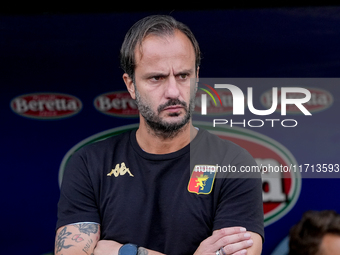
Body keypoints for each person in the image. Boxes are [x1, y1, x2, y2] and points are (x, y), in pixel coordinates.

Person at [55, 15, 264, 255]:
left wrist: (123, 252)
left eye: (183, 76)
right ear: (130, 84)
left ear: (196, 76)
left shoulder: (233, 163)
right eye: (157, 78)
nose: (173, 91)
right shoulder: (89, 164)